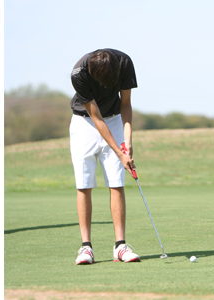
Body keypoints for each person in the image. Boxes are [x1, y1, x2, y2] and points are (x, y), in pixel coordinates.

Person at [68, 48, 140, 265]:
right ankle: (86, 248)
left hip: (116, 119)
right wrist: (119, 153)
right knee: (84, 184)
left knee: (117, 182)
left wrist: (127, 140)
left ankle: (120, 246)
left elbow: (125, 103)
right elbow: (96, 117)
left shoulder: (125, 62)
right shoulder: (78, 73)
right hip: (85, 123)